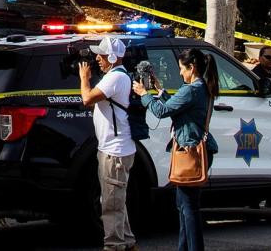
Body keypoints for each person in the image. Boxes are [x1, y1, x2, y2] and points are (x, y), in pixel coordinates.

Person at [133, 47, 219, 251]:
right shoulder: (201, 87)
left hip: (190, 152)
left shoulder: (192, 89)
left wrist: (144, 94)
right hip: (198, 150)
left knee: (188, 208)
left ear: (192, 67)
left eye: (182, 68)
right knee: (184, 206)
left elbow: (161, 111)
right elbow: (177, 107)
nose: (180, 73)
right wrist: (160, 90)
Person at [79, 35, 138, 251]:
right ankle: (129, 243)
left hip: (115, 152)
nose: (97, 60)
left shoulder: (115, 78)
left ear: (112, 57)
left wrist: (84, 78)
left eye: (101, 56)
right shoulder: (116, 76)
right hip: (114, 150)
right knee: (116, 201)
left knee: (111, 205)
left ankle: (114, 245)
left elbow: (87, 99)